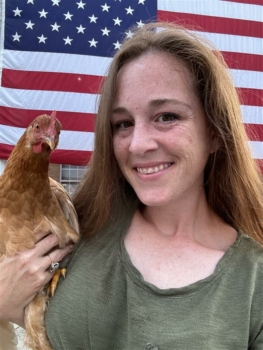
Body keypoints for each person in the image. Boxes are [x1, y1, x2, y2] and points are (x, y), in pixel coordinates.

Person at [1, 21, 263, 349]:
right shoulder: (79, 226)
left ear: (214, 131)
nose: (138, 144)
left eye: (166, 116)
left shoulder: (254, 281)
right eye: (123, 123)